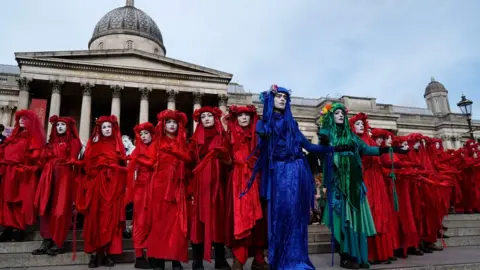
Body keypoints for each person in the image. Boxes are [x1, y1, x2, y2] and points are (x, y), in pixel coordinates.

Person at [244, 85, 351, 270]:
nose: (283, 99)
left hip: (297, 172)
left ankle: (296, 260)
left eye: (285, 97)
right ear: (271, 99)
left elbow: (310, 147)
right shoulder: (263, 123)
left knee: (296, 217)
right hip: (278, 173)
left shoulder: (292, 125)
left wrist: (335, 148)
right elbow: (261, 143)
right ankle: (280, 259)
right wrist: (264, 132)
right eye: (278, 96)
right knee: (280, 215)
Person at [317, 103, 407, 269]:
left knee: (355, 221)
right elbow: (322, 144)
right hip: (339, 184)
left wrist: (393, 149)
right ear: (331, 116)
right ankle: (344, 256)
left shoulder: (352, 137)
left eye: (342, 113)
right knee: (342, 220)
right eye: (336, 113)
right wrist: (326, 134)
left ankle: (356, 255)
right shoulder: (328, 132)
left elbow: (368, 150)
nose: (340, 115)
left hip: (355, 182)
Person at [136, 110, 190, 270]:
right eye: (168, 122)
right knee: (158, 224)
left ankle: (175, 260)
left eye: (174, 122)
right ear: (163, 125)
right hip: (159, 187)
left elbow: (189, 161)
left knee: (176, 224)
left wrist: (178, 153)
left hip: (177, 188)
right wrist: (138, 160)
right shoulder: (157, 143)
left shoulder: (182, 143)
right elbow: (152, 162)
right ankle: (158, 260)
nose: (172, 125)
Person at [75, 115, 127, 268]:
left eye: (109, 127)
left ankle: (108, 253)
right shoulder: (94, 146)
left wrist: (114, 171)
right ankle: (94, 253)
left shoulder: (119, 147)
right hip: (97, 186)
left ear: (113, 129)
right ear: (99, 129)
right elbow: (87, 167)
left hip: (113, 187)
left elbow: (124, 168)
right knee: (95, 220)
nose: (106, 129)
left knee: (110, 221)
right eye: (103, 127)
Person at [225, 105, 267, 270]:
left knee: (258, 222)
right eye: (240, 115)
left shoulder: (258, 136)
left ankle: (258, 259)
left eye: (247, 115)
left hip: (255, 179)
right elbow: (226, 157)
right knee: (239, 219)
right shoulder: (230, 136)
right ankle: (238, 259)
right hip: (237, 181)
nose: (244, 118)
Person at [188, 106, 231, 270]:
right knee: (199, 222)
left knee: (218, 222)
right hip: (201, 187)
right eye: (203, 116)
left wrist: (224, 156)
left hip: (218, 185)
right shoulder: (194, 140)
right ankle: (197, 260)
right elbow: (189, 161)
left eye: (209, 116)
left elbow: (230, 161)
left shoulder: (223, 137)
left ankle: (220, 259)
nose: (206, 118)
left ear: (215, 118)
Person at [33, 116, 82, 256]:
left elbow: (73, 158)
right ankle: (46, 240)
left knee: (60, 209)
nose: (59, 127)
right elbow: (41, 160)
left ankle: (57, 241)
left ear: (68, 127)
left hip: (64, 176)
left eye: (62, 124)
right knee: (46, 207)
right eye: (57, 125)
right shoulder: (50, 143)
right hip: (48, 176)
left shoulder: (73, 142)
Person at [0, 110, 46, 242]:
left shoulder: (33, 138)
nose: (20, 120)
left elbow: (37, 158)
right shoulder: (12, 137)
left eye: (24, 118)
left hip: (23, 174)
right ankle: (8, 227)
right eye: (19, 118)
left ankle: (19, 228)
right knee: (7, 201)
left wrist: (26, 166)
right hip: (9, 172)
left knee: (21, 201)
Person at [125, 122, 155, 269]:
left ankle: (151, 254)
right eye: (141, 134)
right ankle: (139, 256)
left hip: (156, 188)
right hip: (141, 190)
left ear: (152, 134)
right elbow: (131, 172)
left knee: (153, 222)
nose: (143, 136)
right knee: (140, 222)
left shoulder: (158, 147)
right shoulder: (136, 150)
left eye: (146, 133)